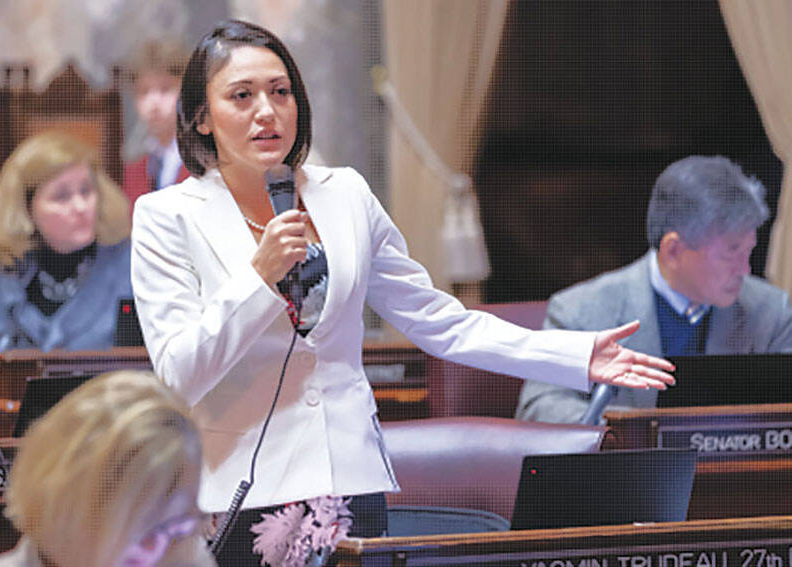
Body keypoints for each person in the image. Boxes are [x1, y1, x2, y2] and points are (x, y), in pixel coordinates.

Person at [130, 19, 673, 565]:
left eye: (280, 91)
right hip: (240, 491)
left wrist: (576, 354)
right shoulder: (167, 217)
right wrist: (258, 277)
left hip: (349, 484)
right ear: (201, 116)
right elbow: (178, 373)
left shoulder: (344, 195)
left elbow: (441, 322)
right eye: (242, 96)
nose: (267, 111)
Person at [516, 155, 792, 424]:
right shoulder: (581, 311)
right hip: (626, 470)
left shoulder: (771, 312)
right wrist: (625, 433)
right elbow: (539, 406)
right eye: (731, 253)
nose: (745, 270)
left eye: (749, 251)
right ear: (673, 250)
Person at [0, 131, 132, 387]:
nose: (80, 206)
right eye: (62, 196)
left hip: (103, 420)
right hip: (3, 422)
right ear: (26, 208)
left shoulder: (129, 263)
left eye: (86, 191)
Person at [0, 370, 216, 567]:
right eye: (141, 526)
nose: (155, 550)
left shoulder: (188, 557)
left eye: (174, 529)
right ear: (68, 502)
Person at [122, 39, 192, 212]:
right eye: (143, 92)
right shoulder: (134, 170)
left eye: (166, 90)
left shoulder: (207, 164)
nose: (153, 103)